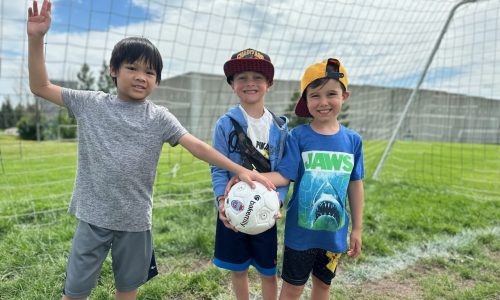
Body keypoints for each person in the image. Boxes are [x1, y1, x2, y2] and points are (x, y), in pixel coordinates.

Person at [27, 1, 274, 299]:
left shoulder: (159, 117)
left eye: (150, 72)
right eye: (132, 68)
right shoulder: (90, 103)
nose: (141, 77)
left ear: (157, 80)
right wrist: (37, 38)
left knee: (127, 290)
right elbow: (40, 86)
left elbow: (195, 145)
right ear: (113, 70)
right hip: (92, 218)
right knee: (75, 291)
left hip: (135, 222)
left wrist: (239, 169)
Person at [262, 58, 364, 299]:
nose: (323, 102)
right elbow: (285, 176)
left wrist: (357, 228)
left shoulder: (353, 141)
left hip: (334, 235)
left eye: (331, 94)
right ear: (305, 101)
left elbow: (355, 184)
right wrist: (250, 176)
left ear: (344, 96)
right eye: (315, 95)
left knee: (323, 286)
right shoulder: (298, 137)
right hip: (301, 236)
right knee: (292, 289)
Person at [210, 48, 289, 300]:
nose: (250, 83)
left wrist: (278, 200)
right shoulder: (225, 124)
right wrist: (222, 202)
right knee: (239, 269)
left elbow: (285, 173)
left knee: (268, 271)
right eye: (242, 77)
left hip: (265, 209)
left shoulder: (280, 128)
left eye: (257, 76)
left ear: (269, 83)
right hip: (234, 207)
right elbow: (218, 167)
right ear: (232, 84)